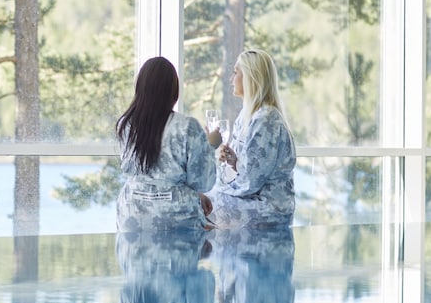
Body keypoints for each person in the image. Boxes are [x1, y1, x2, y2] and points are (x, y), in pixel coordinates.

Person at [116, 56, 216, 232]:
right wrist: (210, 146)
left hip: (131, 212)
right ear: (173, 90)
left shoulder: (126, 124)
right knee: (217, 237)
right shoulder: (187, 126)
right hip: (176, 216)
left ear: (140, 88)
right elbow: (202, 182)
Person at [204, 48, 296, 227]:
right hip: (255, 200)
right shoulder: (249, 115)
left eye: (235, 72)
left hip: (269, 208)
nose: (231, 79)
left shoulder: (266, 120)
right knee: (200, 203)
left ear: (250, 77)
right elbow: (251, 170)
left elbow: (249, 182)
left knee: (199, 207)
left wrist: (216, 189)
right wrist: (234, 161)